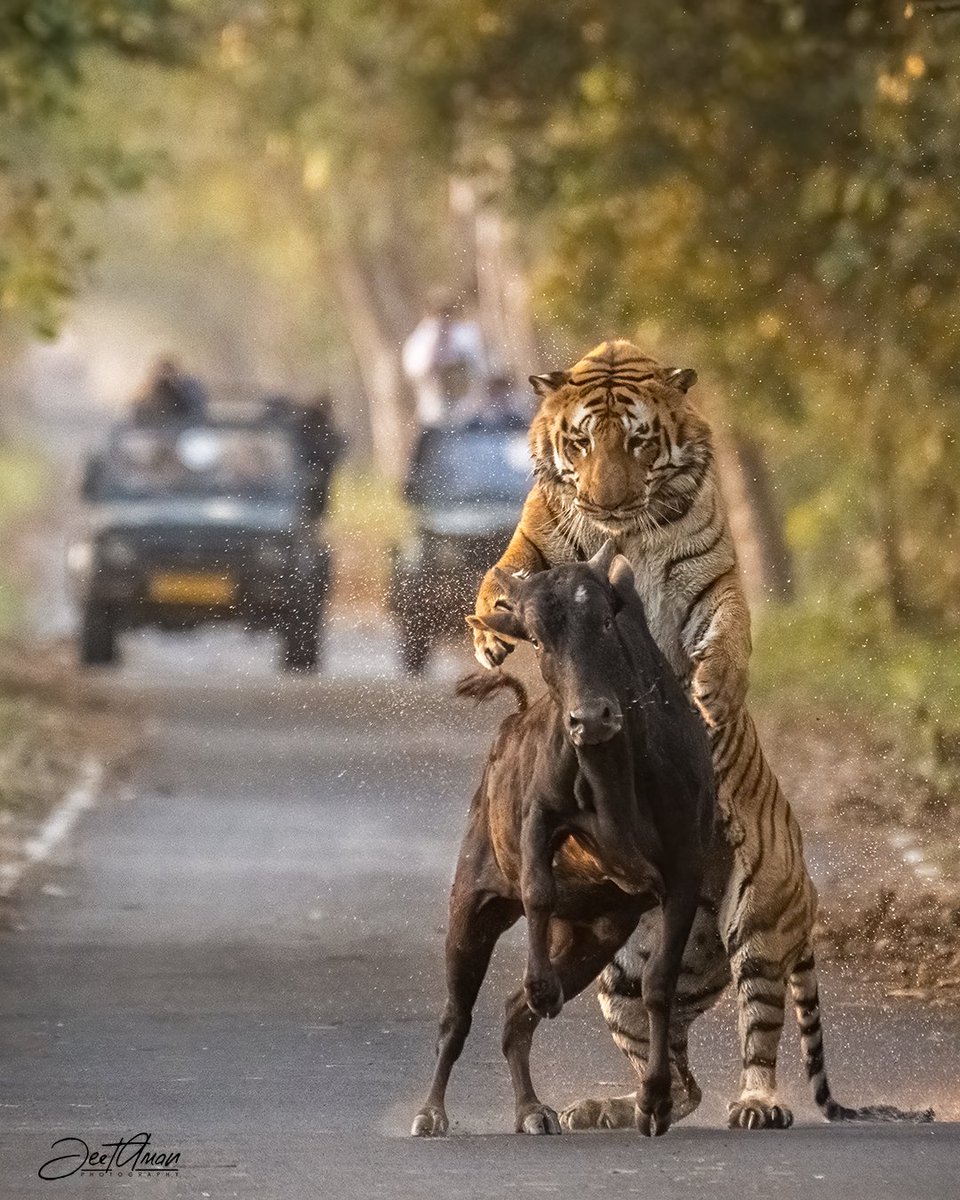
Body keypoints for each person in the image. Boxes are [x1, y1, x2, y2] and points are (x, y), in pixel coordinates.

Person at [401, 289, 488, 426]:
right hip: (434, 415)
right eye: (438, 314)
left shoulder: (467, 335)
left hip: (470, 414)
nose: (443, 318)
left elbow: (483, 371)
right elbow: (415, 372)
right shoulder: (420, 341)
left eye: (446, 313)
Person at [264, 392, 347, 519]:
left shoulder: (311, 430)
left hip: (306, 495)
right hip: (294, 495)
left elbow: (334, 452)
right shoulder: (298, 429)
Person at [132, 356, 208, 424]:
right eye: (162, 373)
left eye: (168, 373)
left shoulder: (184, 390)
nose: (165, 377)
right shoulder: (147, 392)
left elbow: (195, 412)